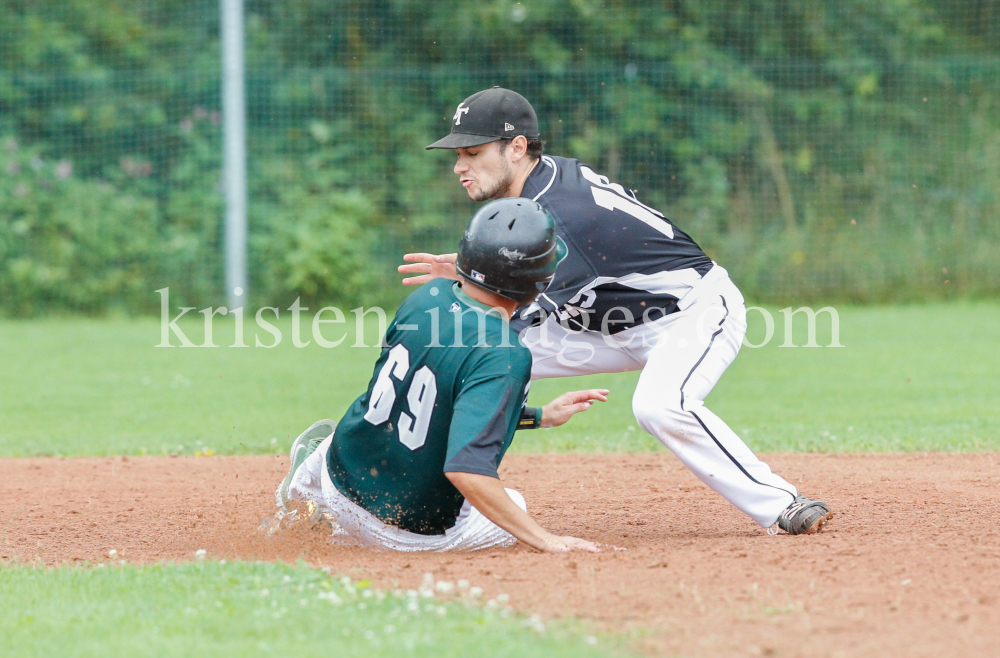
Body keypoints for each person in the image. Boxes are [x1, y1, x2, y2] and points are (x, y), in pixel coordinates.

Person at [400, 87, 833, 535]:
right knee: (457, 353)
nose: (459, 166)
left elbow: (511, 318)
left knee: (660, 406)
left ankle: (781, 504)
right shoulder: (540, 184)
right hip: (601, 323)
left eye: (472, 152)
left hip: (690, 313)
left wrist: (471, 288)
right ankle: (413, 489)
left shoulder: (562, 215)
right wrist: (469, 274)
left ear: (517, 147)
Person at [274, 197, 609, 552]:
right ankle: (344, 534)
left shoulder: (427, 295)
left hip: (333, 471)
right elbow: (467, 470)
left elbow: (431, 400)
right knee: (514, 503)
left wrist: (539, 417)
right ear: (537, 283)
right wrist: (548, 541)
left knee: (367, 424)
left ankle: (309, 492)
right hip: (401, 532)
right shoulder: (505, 353)